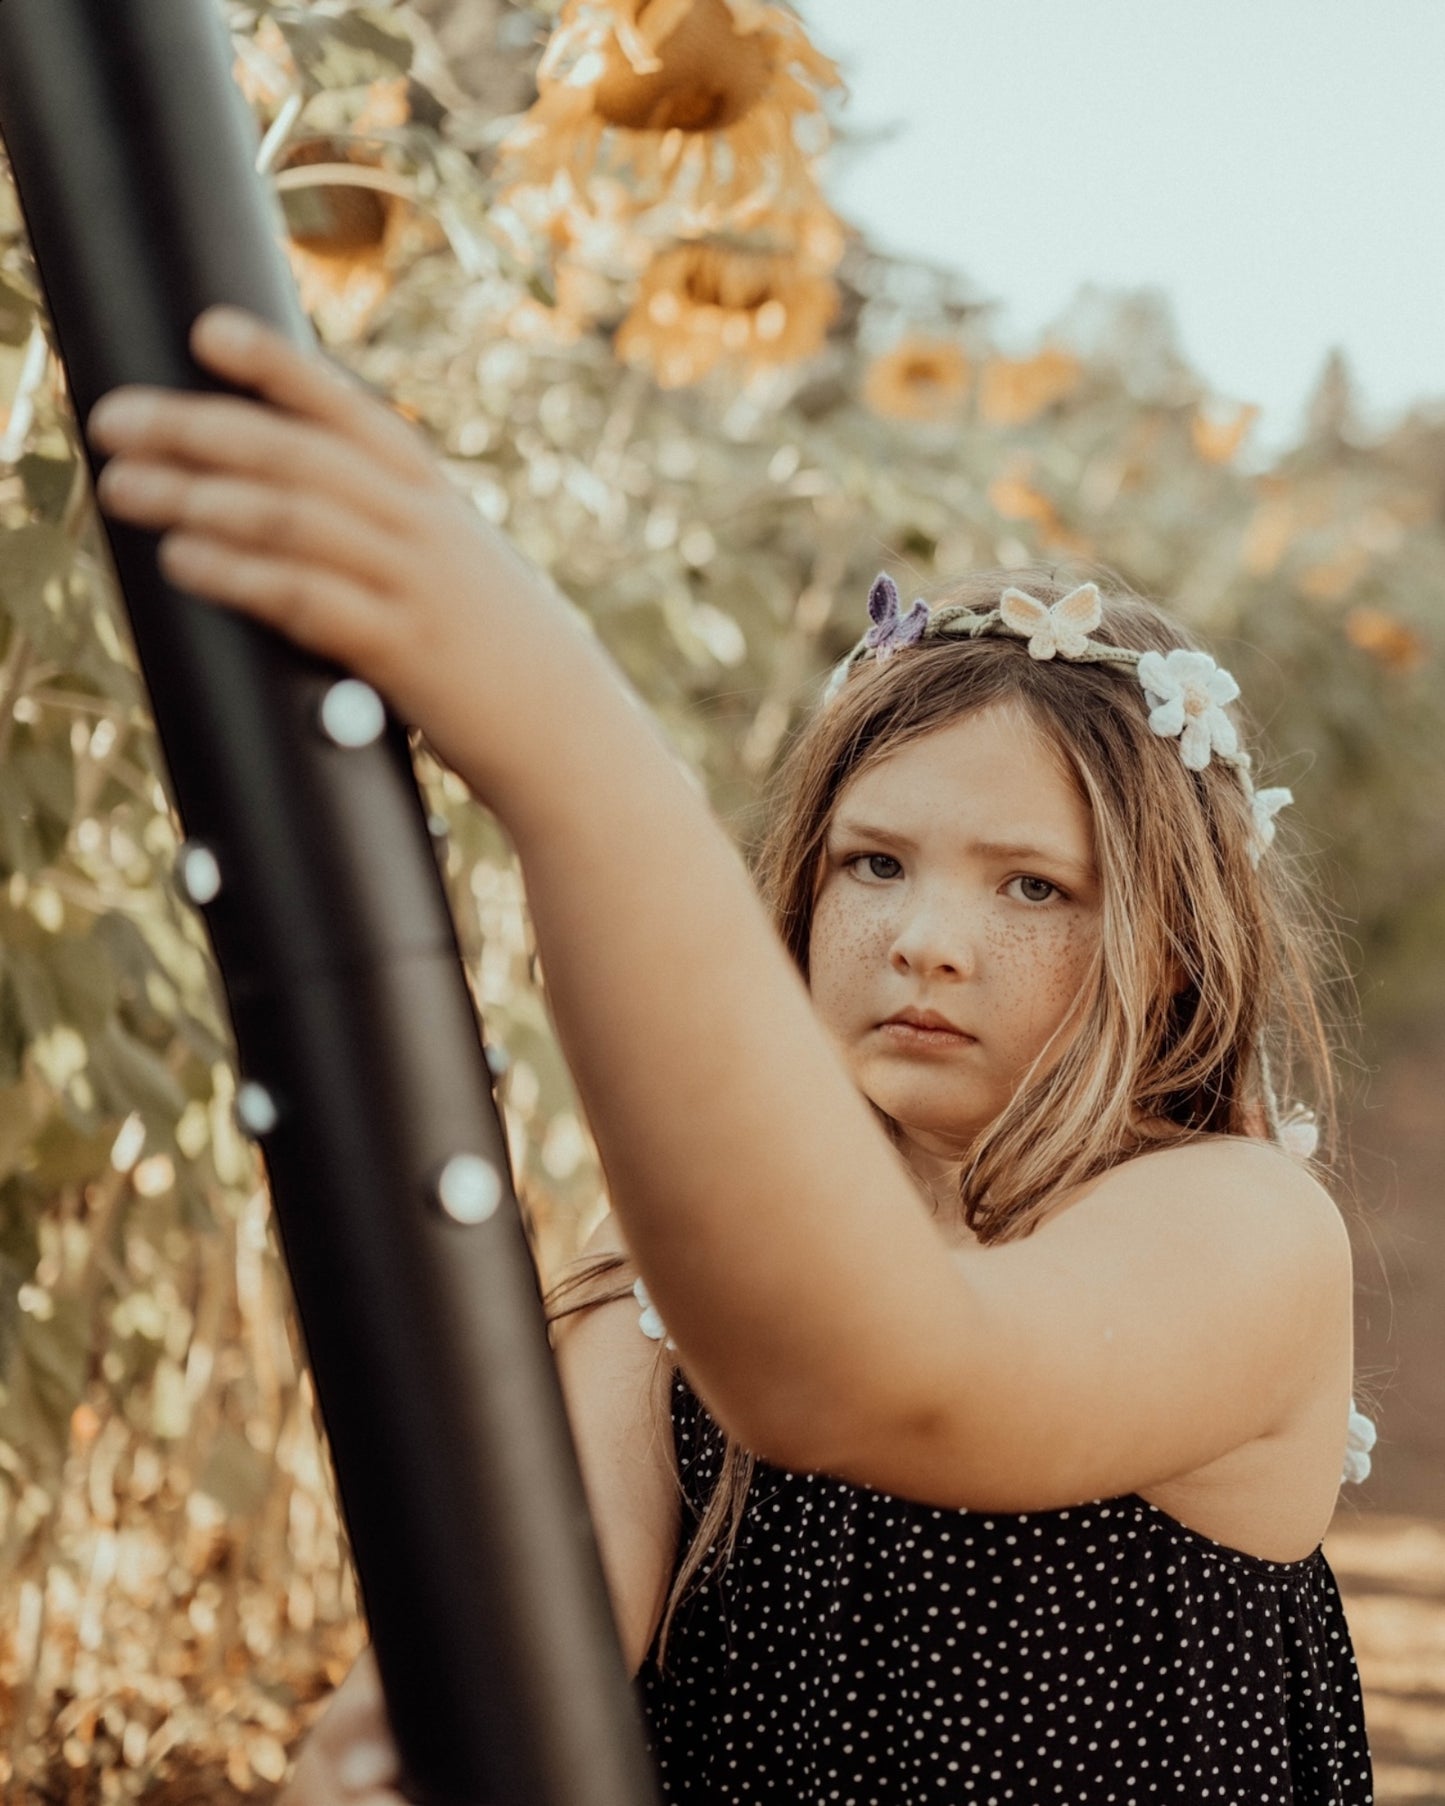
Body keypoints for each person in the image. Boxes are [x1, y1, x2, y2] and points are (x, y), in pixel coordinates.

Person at [87, 307, 1375, 1804]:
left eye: (1032, 885)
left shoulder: (1241, 1226)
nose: (925, 939)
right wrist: (416, 1731)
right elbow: (542, 1619)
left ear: (1171, 942)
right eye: (872, 864)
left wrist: (563, 740)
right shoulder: (674, 1290)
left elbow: (887, 1373)